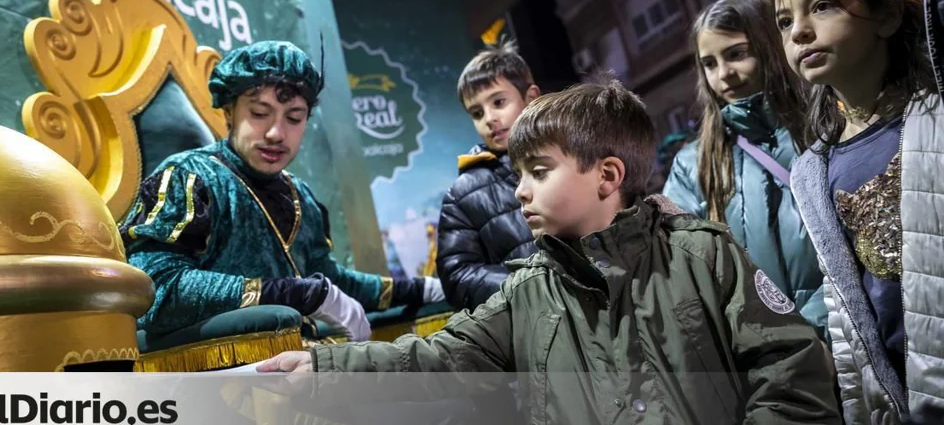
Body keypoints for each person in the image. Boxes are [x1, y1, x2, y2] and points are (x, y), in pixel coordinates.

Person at [256, 75, 840, 424]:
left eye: (538, 170)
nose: (519, 189)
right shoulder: (527, 290)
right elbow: (436, 357)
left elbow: (791, 370)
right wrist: (324, 366)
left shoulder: (702, 256)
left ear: (607, 175)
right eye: (518, 172)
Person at [122, 40, 444, 341]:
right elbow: (155, 288)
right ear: (230, 112)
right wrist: (290, 292)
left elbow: (331, 281)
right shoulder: (188, 177)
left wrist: (419, 289)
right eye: (259, 114)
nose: (277, 133)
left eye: (294, 117)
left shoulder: (300, 195)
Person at [772, 0, 944, 423]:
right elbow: (848, 317)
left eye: (821, 6)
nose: (799, 32)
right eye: (785, 23)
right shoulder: (812, 170)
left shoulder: (935, 119)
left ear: (887, 17)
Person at [663, 0, 827, 339]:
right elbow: (684, 273)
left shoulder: (824, 126)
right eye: (709, 63)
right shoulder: (693, 164)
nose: (724, 75)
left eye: (737, 54)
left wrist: (814, 327)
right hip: (764, 357)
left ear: (769, 46)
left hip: (844, 340)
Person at [436, 40, 540, 310]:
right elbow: (458, 277)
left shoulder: (577, 159)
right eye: (477, 112)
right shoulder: (462, 195)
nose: (489, 118)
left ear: (530, 97)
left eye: (499, 101)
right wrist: (537, 286)